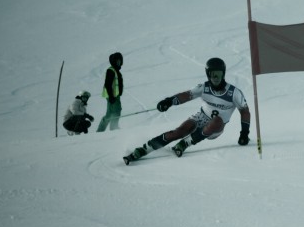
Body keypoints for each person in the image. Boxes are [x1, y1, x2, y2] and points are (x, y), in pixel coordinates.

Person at [123, 57, 251, 164]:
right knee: (179, 132)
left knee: (217, 120)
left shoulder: (234, 92)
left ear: (224, 73)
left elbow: (245, 111)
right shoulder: (204, 87)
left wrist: (244, 133)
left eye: (219, 74)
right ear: (208, 74)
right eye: (213, 74)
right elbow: (186, 95)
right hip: (201, 117)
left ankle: (185, 143)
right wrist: (169, 101)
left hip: (216, 127)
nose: (216, 78)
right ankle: (144, 149)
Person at [97, 52, 124, 131]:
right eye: (117, 61)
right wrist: (111, 96)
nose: (119, 62)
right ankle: (113, 128)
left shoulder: (117, 71)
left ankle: (101, 130)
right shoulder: (111, 70)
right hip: (112, 95)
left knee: (110, 114)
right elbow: (107, 84)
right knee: (116, 111)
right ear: (113, 61)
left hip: (115, 95)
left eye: (120, 61)